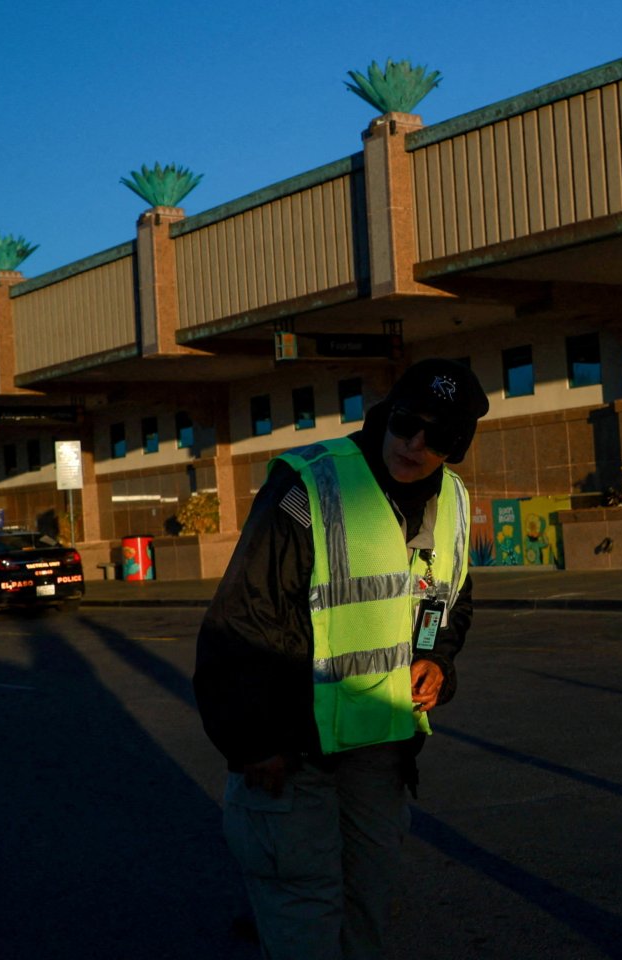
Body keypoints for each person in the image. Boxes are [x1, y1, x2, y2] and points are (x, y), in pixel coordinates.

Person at [194, 358, 489, 960]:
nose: (415, 443)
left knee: (368, 905)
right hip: (292, 750)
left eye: (438, 436)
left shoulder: (454, 501)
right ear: (386, 413)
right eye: (406, 423)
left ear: (457, 446)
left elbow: (449, 599)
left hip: (379, 750)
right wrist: (254, 742)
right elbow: (245, 616)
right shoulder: (311, 485)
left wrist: (436, 660)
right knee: (303, 908)